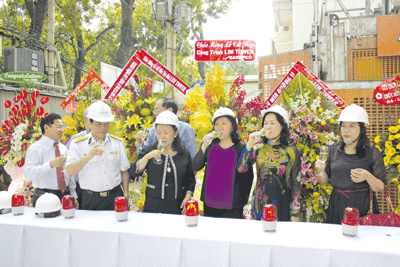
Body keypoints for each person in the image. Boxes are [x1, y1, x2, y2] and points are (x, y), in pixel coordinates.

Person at [315, 104, 386, 224]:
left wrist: (367, 176)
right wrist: (320, 170)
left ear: (362, 129)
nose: (346, 130)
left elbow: (380, 187)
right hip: (337, 204)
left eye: (352, 126)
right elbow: (323, 181)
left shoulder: (372, 153)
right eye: (343, 126)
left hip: (362, 206)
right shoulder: (331, 151)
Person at [238, 105, 301, 222]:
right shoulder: (258, 148)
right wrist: (249, 145)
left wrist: (295, 213)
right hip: (259, 203)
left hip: (282, 203)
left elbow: (295, 183)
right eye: (265, 123)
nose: (268, 127)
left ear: (283, 126)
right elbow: (241, 169)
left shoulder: (291, 151)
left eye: (272, 123)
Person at [66, 101, 130, 211]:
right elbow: (70, 171)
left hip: (114, 197)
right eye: (98, 124)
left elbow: (124, 170)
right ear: (89, 123)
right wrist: (88, 156)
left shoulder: (117, 143)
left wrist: (126, 193)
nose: (103, 128)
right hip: (90, 199)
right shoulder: (78, 144)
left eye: (106, 124)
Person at [129, 110, 195, 214]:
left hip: (176, 205)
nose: (162, 136)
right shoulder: (149, 150)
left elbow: (190, 180)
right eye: (158, 132)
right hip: (153, 205)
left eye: (166, 132)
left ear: (175, 133)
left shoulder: (184, 153)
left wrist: (188, 196)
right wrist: (147, 157)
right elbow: (133, 172)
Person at [192, 107, 254, 219]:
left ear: (233, 127)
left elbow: (248, 177)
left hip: (233, 206)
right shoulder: (210, 146)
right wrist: (204, 146)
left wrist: (242, 201)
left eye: (224, 123)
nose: (219, 127)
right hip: (210, 203)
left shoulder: (242, 149)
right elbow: (196, 166)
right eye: (216, 124)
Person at [25, 113, 78, 207]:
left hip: (65, 195)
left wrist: (73, 194)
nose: (62, 130)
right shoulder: (36, 148)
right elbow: (28, 174)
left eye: (62, 127)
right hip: (45, 197)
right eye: (58, 127)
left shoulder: (63, 148)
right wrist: (50, 164)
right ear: (46, 128)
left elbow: (69, 173)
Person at [65, 106, 91, 209]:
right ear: (85, 122)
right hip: (80, 187)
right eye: (91, 120)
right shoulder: (76, 139)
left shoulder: (107, 139)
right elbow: (68, 164)